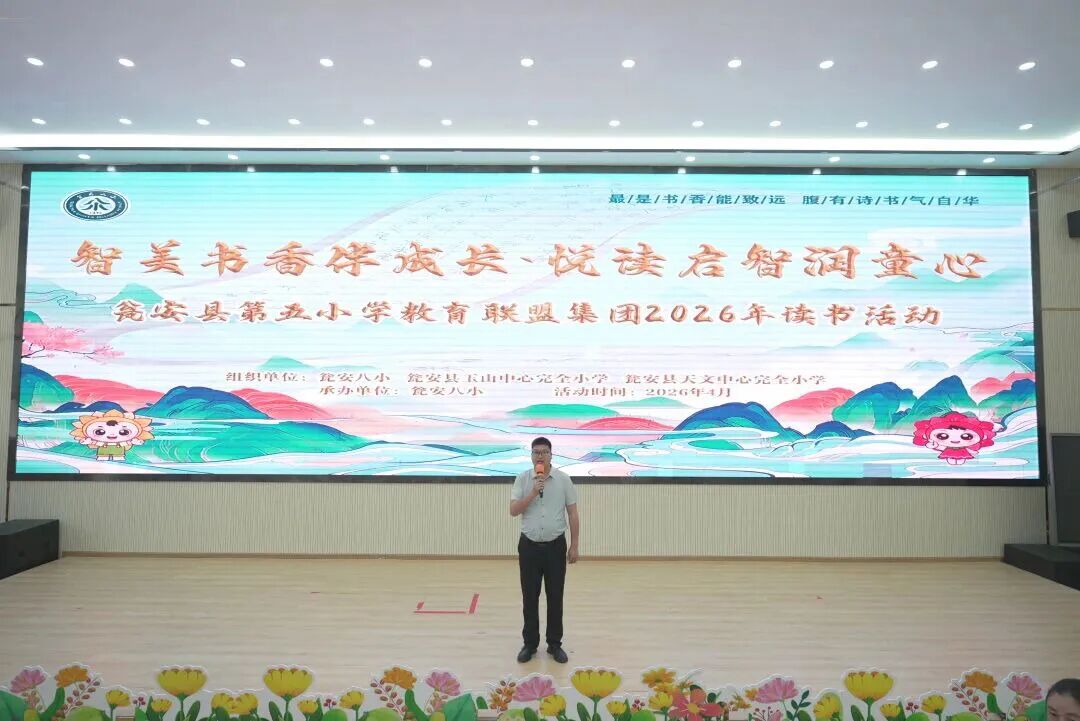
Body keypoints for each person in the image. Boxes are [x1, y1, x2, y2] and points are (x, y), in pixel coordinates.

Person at [509, 436, 579, 664]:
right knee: (530, 597)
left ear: (551, 455)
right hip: (529, 546)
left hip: (555, 547)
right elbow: (513, 510)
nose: (540, 456)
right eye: (536, 452)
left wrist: (574, 544)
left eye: (544, 452)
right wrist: (532, 492)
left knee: (555, 597)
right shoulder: (523, 479)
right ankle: (530, 644)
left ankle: (554, 644)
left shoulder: (563, 480)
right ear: (531, 456)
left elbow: (572, 513)